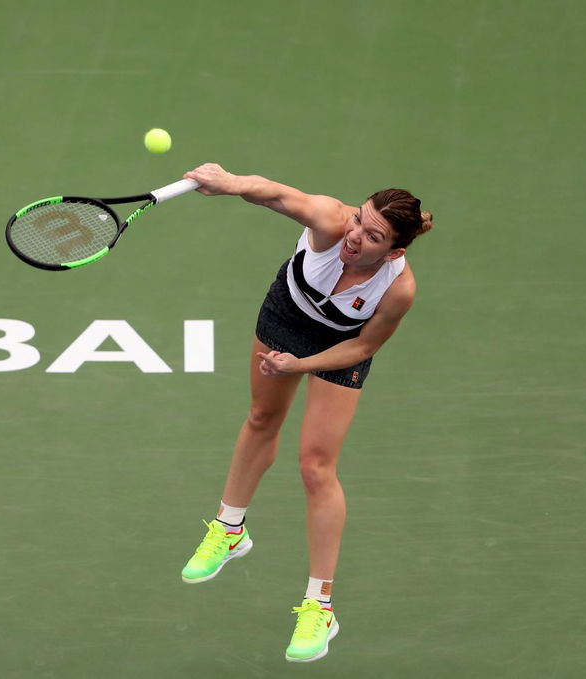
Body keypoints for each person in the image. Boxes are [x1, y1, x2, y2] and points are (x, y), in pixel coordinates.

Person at [179, 163, 433, 663]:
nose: (355, 235)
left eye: (373, 236)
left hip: (341, 347)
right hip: (286, 314)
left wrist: (300, 365)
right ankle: (229, 530)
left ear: (394, 252)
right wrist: (229, 182)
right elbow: (273, 194)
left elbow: (362, 347)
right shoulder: (329, 220)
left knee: (316, 467)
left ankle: (320, 606)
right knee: (261, 417)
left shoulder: (398, 290)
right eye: (359, 220)